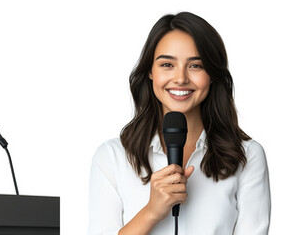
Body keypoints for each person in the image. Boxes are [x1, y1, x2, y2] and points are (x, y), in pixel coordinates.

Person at [88, 12, 270, 234]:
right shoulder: (112, 158)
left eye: (196, 66)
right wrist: (152, 212)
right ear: (150, 72)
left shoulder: (247, 156)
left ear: (212, 74)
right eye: (167, 64)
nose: (181, 78)